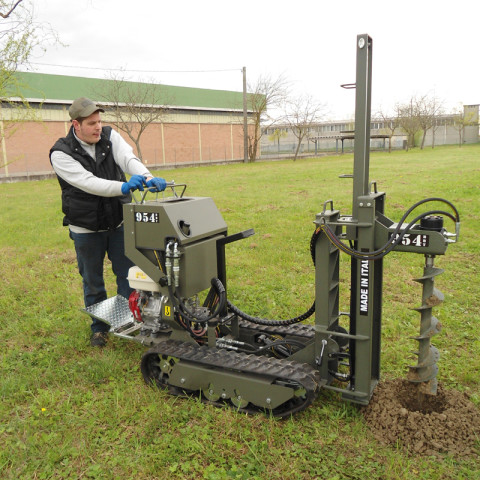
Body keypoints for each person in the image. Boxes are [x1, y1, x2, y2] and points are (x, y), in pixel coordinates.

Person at [49, 97, 167, 347]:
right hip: (85, 228)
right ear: (75, 125)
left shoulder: (109, 136)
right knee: (92, 281)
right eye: (92, 123)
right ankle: (99, 328)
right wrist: (123, 186)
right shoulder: (61, 153)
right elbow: (88, 182)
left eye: (100, 121)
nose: (98, 127)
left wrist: (146, 176)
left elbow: (128, 159)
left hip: (118, 222)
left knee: (128, 276)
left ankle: (128, 321)